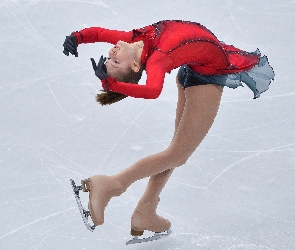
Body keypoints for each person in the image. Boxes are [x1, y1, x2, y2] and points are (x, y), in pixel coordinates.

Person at [63, 20, 274, 236]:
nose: (112, 52)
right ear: (136, 67)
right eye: (115, 61)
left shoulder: (134, 38)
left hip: (192, 70)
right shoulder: (156, 59)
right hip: (205, 78)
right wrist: (111, 85)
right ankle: (111, 185)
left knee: (173, 153)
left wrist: (77, 38)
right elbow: (153, 89)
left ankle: (146, 209)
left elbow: (99, 32)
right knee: (178, 154)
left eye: (111, 58)